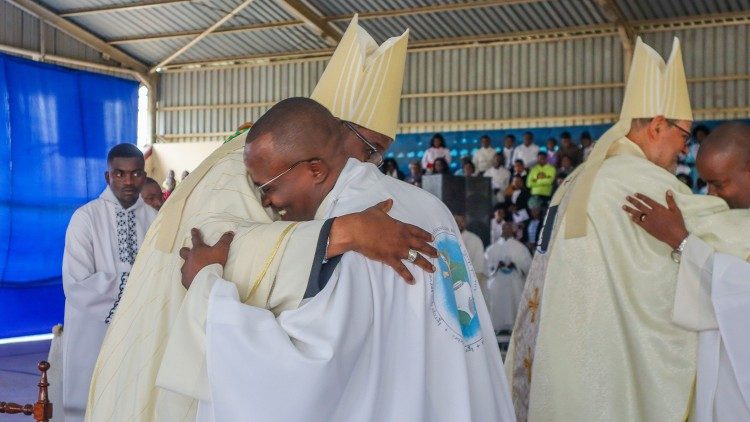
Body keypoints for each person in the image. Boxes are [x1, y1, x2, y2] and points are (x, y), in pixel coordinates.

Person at [86, 16, 433, 422]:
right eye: (371, 149)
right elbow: (215, 248)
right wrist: (344, 232)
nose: (372, 165)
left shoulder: (284, 165)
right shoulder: (247, 165)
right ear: (331, 134)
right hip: (168, 339)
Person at [175, 97, 515, 421]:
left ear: (315, 169)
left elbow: (302, 374)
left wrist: (208, 289)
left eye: (268, 186)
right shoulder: (427, 204)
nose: (267, 202)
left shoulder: (362, 231)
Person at [505, 37, 750, 421]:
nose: (685, 151)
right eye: (684, 136)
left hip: (562, 360)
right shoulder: (640, 180)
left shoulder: (577, 179)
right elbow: (723, 235)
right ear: (656, 126)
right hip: (610, 365)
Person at [622, 122, 750, 422]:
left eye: (719, 183)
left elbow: (741, 293)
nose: (712, 194)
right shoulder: (725, 220)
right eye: (706, 184)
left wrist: (680, 241)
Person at [61, 143, 157, 421]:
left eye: (136, 174)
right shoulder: (85, 218)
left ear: (143, 174)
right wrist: (135, 287)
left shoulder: (155, 220)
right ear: (107, 176)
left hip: (140, 329)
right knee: (91, 399)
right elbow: (77, 283)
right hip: (93, 331)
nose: (128, 181)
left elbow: (163, 272)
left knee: (134, 400)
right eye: (120, 174)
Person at [485, 221, 532, 332]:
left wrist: (516, 265)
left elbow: (527, 265)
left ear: (512, 230)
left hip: (514, 282)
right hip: (498, 282)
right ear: (500, 230)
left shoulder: (520, 247)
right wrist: (496, 266)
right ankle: (498, 327)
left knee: (515, 302)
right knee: (497, 303)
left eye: (508, 228)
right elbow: (486, 266)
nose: (505, 230)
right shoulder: (492, 248)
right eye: (503, 228)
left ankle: (516, 328)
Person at [455, 214, 488, 294]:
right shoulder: (447, 238)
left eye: (461, 221)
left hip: (471, 279)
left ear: (465, 223)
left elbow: (478, 264)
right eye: (456, 221)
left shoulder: (474, 239)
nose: (458, 223)